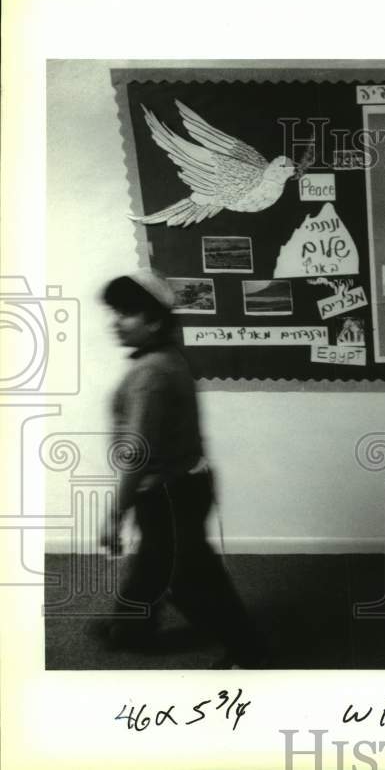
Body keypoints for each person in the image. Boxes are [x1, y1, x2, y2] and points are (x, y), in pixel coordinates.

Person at [98, 270, 266, 669]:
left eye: (126, 313)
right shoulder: (170, 356)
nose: (115, 322)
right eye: (115, 312)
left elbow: (137, 455)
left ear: (154, 321)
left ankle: (250, 652)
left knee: (189, 577)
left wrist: (114, 514)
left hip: (166, 493)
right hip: (187, 482)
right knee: (155, 563)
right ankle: (131, 629)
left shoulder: (150, 374)